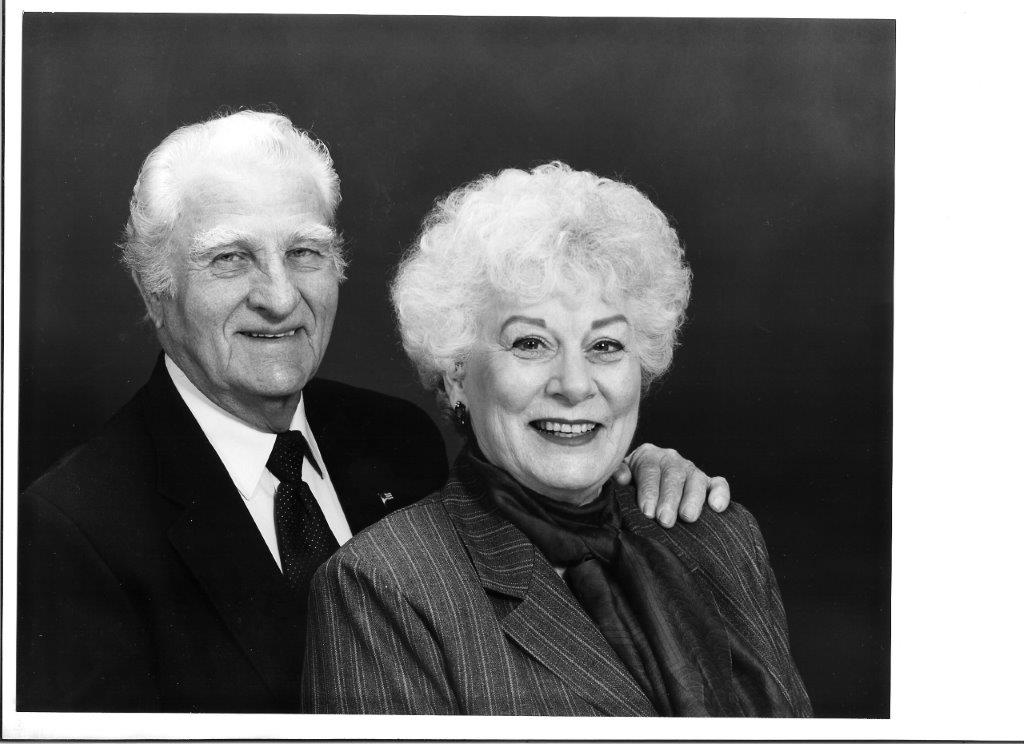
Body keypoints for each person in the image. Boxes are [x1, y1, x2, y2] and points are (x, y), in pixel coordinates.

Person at [17, 112, 730, 713]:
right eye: (230, 258)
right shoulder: (70, 531)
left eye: (305, 252)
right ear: (156, 287)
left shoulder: (394, 438)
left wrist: (621, 477)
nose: (279, 297)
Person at [303, 162, 813, 716]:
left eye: (605, 346)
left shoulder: (722, 538)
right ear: (456, 375)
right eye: (530, 343)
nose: (574, 385)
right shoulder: (385, 586)